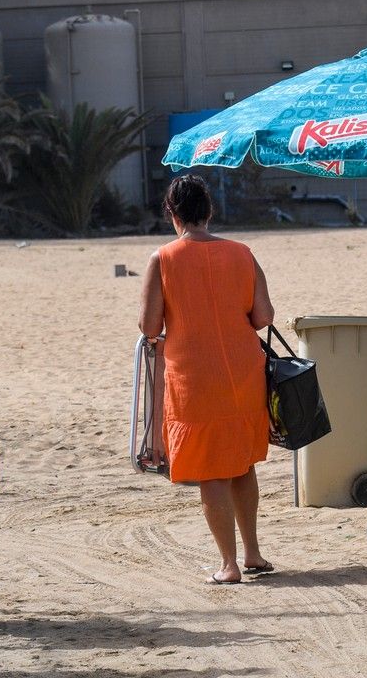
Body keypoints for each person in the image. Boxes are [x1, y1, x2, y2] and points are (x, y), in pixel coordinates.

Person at [138, 175, 276, 585]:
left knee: (211, 470)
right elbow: (264, 316)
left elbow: (149, 325)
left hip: (193, 378)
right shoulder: (242, 253)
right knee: (242, 464)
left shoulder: (163, 259)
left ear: (172, 214)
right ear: (209, 211)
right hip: (241, 373)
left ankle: (228, 564)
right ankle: (252, 552)